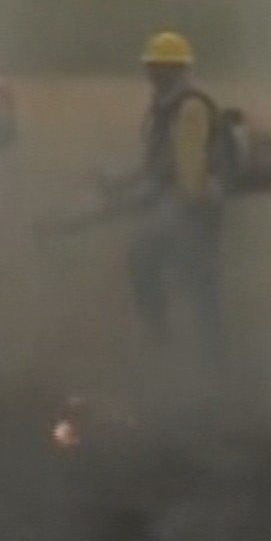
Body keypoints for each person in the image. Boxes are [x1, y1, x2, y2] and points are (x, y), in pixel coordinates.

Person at [97, 30, 231, 366]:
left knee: (196, 282)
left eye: (157, 67)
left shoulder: (189, 109)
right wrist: (120, 186)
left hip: (195, 208)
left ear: (173, 70)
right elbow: (158, 164)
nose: (151, 74)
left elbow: (186, 173)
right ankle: (172, 343)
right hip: (178, 206)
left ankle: (208, 357)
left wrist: (152, 204)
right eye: (150, 67)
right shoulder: (166, 107)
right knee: (151, 264)